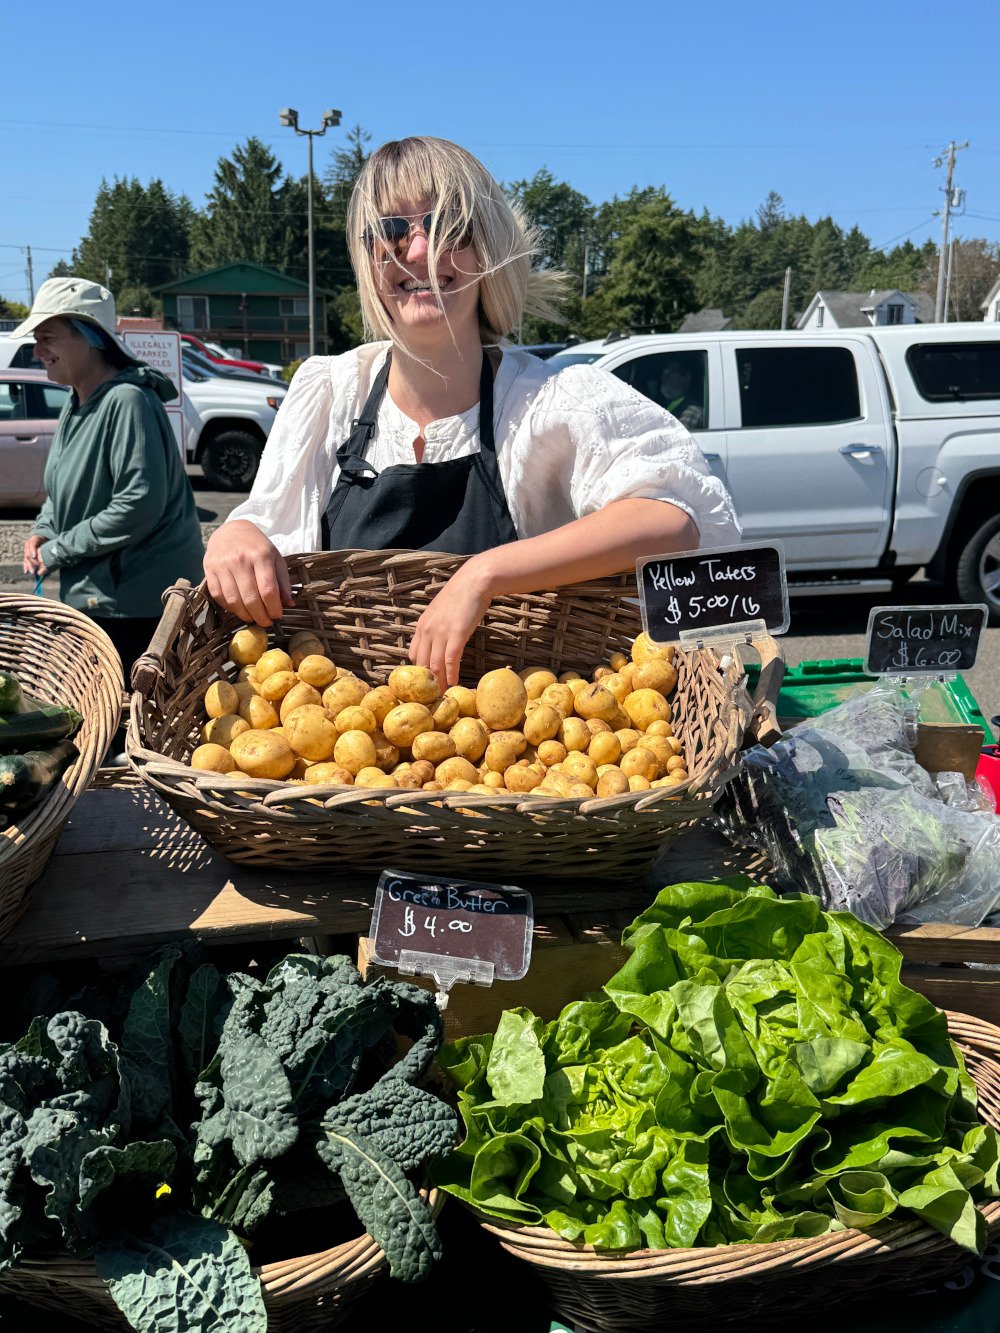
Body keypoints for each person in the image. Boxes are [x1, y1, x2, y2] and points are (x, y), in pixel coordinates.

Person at [204, 136, 739, 689]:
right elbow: (269, 528)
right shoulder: (332, 392)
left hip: (516, 749)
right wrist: (236, 534)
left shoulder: (549, 403)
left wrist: (483, 575)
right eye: (390, 230)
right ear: (366, 257)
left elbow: (675, 520)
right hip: (341, 753)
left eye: (448, 228)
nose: (418, 252)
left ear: (488, 248)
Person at [17, 277, 204, 679]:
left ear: (91, 337)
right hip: (99, 595)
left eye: (47, 337)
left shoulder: (128, 400)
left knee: (125, 720)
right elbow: (61, 489)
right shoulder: (77, 400)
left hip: (135, 604)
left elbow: (137, 505)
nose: (37, 351)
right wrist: (43, 531)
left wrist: (57, 551)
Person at [658, 360, 705, 431]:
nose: (664, 377)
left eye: (670, 373)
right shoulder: (663, 403)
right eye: (663, 373)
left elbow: (676, 439)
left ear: (686, 378)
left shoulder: (692, 411)